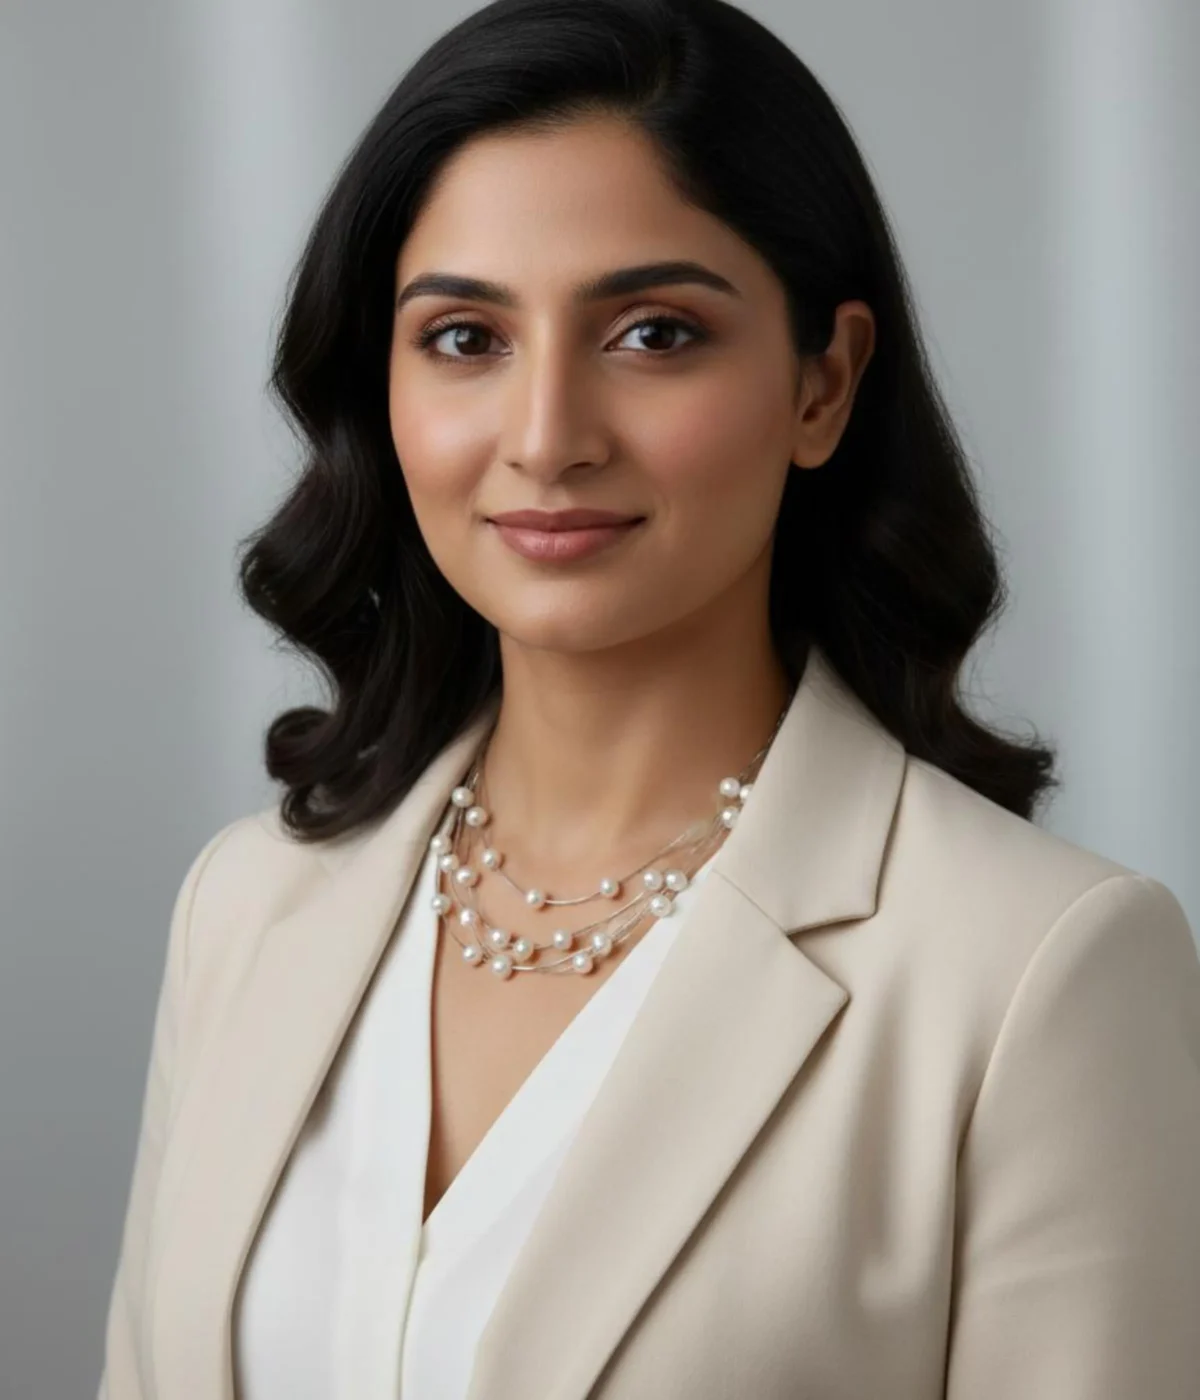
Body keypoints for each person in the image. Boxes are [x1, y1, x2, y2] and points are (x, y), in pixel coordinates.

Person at [96, 0, 1200, 1396]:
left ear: (823, 382)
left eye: (654, 333)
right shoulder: (246, 910)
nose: (548, 437)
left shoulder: (1036, 974)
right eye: (463, 339)